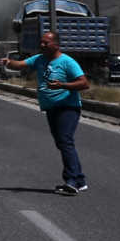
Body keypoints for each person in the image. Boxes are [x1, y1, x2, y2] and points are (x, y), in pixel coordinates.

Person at [7, 29, 90, 194]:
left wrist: (62, 85)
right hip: (51, 108)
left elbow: (84, 83)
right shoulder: (39, 59)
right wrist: (8, 62)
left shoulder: (67, 62)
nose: (42, 45)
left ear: (56, 44)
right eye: (42, 42)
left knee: (65, 141)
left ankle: (72, 181)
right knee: (61, 142)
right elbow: (21, 64)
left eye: (46, 42)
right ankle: (79, 180)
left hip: (68, 107)